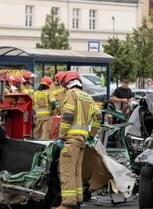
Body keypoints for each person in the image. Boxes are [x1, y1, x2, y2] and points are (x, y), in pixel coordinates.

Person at [55, 70, 102, 209]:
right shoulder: (88, 96)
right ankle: (77, 200)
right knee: (76, 171)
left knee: (67, 171)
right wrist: (91, 135)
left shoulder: (71, 93)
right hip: (82, 139)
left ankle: (68, 203)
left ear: (67, 82)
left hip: (71, 139)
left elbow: (68, 116)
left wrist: (61, 136)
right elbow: (98, 117)